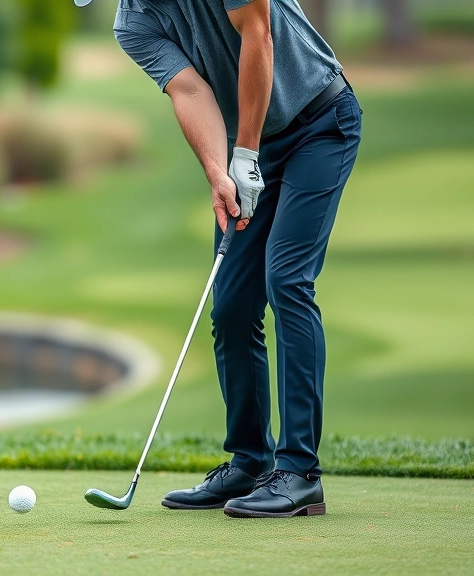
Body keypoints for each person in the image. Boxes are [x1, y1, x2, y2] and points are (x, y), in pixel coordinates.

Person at [74, 0, 362, 518]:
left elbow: (259, 33)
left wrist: (247, 153)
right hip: (248, 144)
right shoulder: (132, 23)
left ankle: (300, 473)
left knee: (287, 280)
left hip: (319, 121)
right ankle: (250, 462)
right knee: (230, 304)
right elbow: (190, 90)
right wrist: (220, 172)